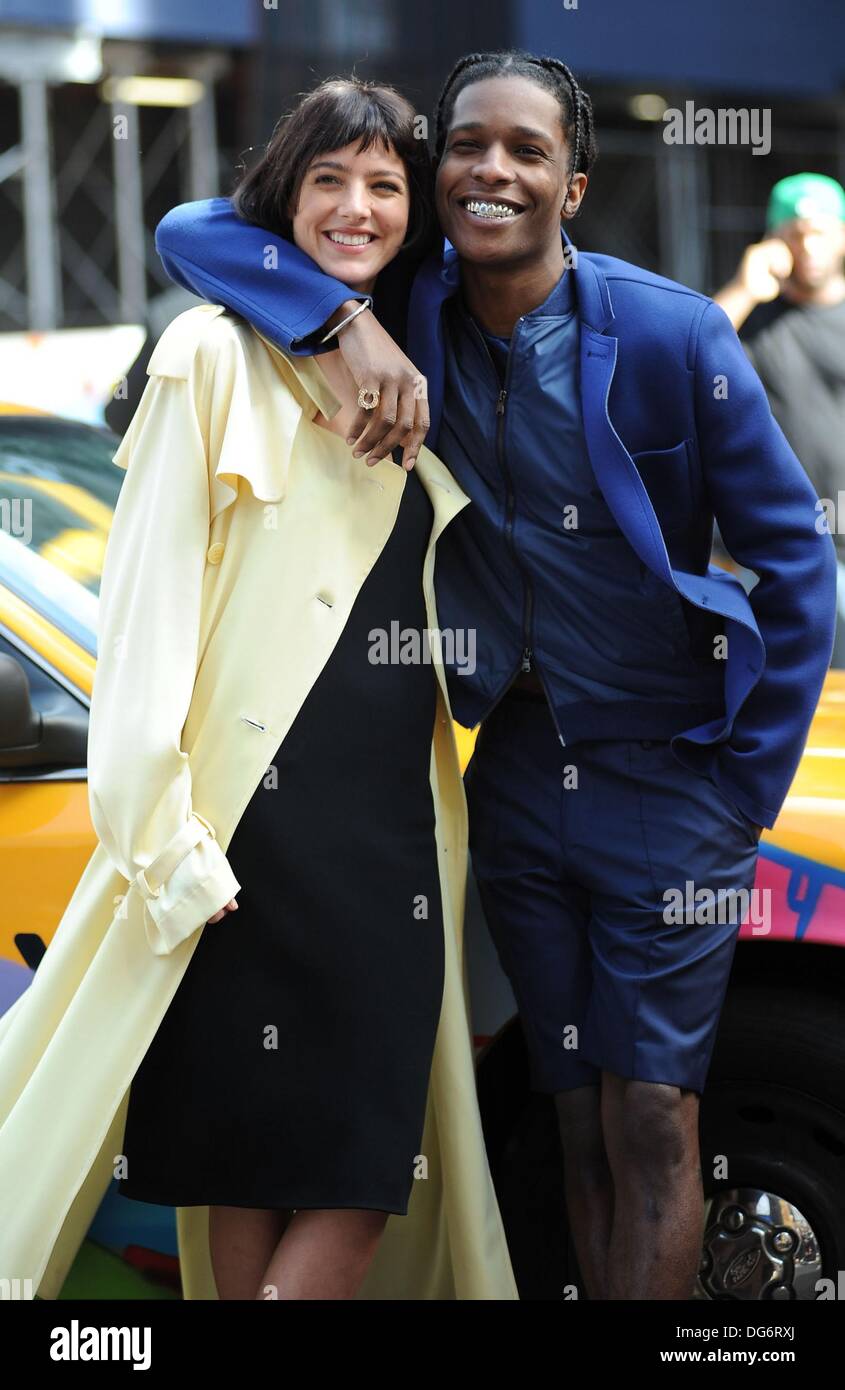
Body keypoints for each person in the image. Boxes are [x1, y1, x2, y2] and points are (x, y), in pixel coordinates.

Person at [154, 48, 837, 1300]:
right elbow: (194, 224)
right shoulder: (405, 300)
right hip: (512, 774)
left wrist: (742, 789)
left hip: (671, 781)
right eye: (467, 145)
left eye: (527, 152)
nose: (492, 170)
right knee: (570, 1115)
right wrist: (342, 323)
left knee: (652, 1116)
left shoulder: (676, 333)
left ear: (572, 185)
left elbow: (799, 564)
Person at [0, 76, 518, 1304]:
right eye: (325, 181)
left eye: (385, 186)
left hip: (393, 825)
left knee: (363, 1162)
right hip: (242, 831)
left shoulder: (435, 347)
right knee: (252, 1161)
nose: (356, 207)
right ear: (279, 201)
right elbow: (145, 616)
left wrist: (359, 324)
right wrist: (161, 835)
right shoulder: (206, 355)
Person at [714, 172, 845, 664]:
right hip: (776, 556)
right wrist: (745, 288)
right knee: (784, 702)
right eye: (794, 232)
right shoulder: (750, 320)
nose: (808, 244)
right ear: (773, 241)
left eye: (821, 230)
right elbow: (679, 363)